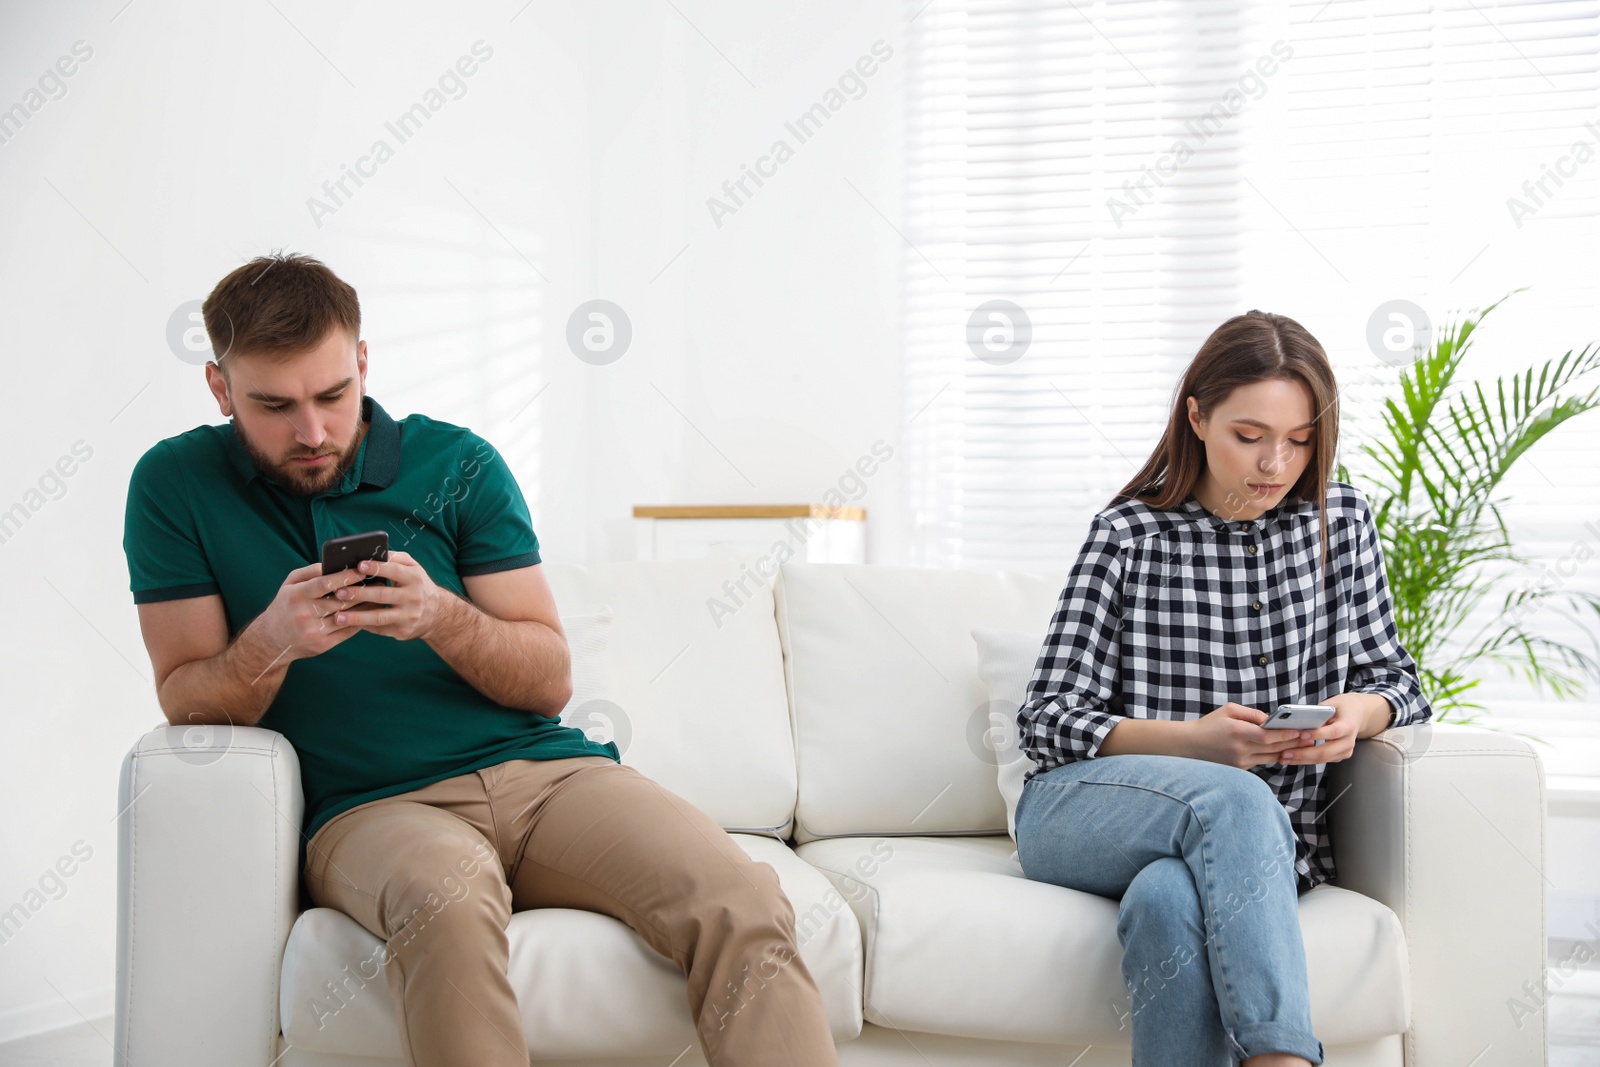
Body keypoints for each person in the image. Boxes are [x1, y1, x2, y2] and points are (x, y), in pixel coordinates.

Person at [121, 252, 840, 1067]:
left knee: (739, 895)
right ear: (220, 389)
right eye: (274, 406)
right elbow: (186, 701)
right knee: (446, 904)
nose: (312, 432)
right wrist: (273, 640)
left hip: (546, 776)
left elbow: (548, 678)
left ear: (363, 363)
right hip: (372, 807)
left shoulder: (457, 464)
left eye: (331, 395)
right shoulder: (172, 485)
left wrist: (439, 616)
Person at [1012, 309, 1433, 1067]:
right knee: (1236, 794)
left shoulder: (1341, 522)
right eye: (1250, 435)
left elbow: (1396, 682)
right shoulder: (1130, 535)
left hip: (1264, 850)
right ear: (1197, 416)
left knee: (1168, 901)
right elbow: (1045, 719)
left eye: (1299, 440)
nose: (1275, 462)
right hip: (1084, 814)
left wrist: (1356, 716)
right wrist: (1193, 743)